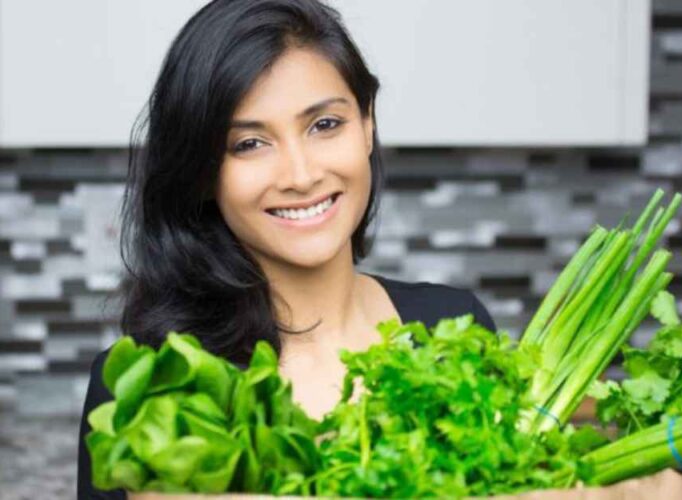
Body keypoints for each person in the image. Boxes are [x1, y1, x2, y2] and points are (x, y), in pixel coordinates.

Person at [76, 0, 496, 498]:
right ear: (203, 173)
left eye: (324, 125)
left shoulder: (453, 329)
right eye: (250, 144)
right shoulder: (153, 385)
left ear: (367, 123)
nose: (301, 176)